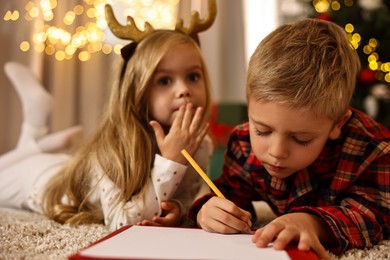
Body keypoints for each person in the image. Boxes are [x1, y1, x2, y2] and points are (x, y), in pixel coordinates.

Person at [188, 18, 390, 259]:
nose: (277, 151)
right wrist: (208, 209)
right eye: (262, 131)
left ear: (337, 124)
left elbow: (377, 214)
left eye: (301, 139)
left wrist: (312, 223)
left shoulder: (372, 148)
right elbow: (229, 191)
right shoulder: (243, 141)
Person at [0, 26, 215, 231]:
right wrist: (171, 162)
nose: (184, 90)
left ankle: (39, 131)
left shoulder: (200, 145)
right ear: (136, 92)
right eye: (165, 80)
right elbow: (121, 222)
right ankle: (37, 135)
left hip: (66, 164)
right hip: (41, 180)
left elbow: (183, 196)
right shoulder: (114, 147)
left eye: (193, 77)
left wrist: (178, 209)